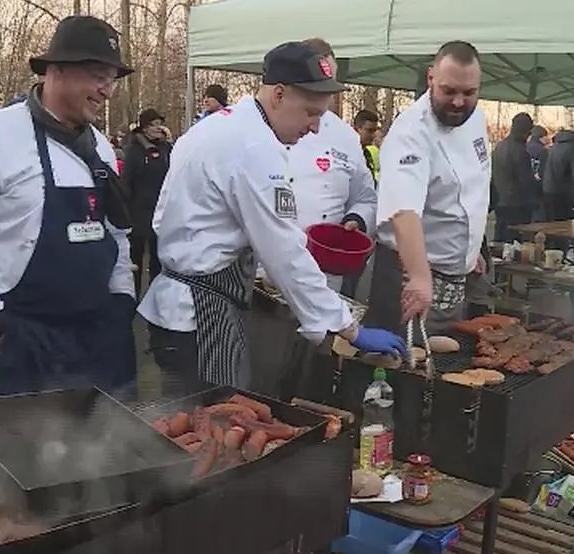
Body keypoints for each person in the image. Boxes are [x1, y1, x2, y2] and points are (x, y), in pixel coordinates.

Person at [137, 41, 406, 394]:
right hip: (201, 318)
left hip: (178, 309)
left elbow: (163, 220)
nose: (313, 127)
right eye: (311, 112)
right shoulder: (254, 149)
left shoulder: (218, 126)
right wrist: (350, 329)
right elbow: (285, 252)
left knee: (189, 425)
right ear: (278, 95)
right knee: (212, 429)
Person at [0, 16, 137, 398]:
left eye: (111, 80)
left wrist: (121, 297)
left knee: (100, 450)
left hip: (94, 335)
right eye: (98, 76)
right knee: (8, 451)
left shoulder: (101, 148)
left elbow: (117, 233)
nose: (107, 91)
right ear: (55, 71)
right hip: (17, 337)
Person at [365, 41, 490, 335]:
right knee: (407, 367)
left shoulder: (477, 120)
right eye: (449, 91)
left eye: (469, 92)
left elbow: (471, 190)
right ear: (430, 78)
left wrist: (469, 249)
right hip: (411, 275)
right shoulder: (411, 133)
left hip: (456, 276)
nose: (459, 102)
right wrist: (420, 279)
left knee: (447, 364)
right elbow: (403, 211)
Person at [283, 38, 376, 297]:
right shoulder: (262, 130)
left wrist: (356, 219)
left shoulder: (344, 137)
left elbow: (366, 198)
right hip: (263, 274)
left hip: (324, 277)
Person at [123, 107, 172, 295]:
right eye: (154, 125)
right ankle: (132, 296)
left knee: (157, 260)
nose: (158, 128)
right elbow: (126, 181)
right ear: (144, 128)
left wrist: (170, 141)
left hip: (159, 212)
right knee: (135, 259)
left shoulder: (166, 148)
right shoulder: (134, 149)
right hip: (137, 212)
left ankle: (155, 298)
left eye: (161, 124)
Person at [492, 112, 537, 242]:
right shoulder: (520, 151)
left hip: (500, 201)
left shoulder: (499, 147)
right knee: (515, 244)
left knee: (499, 241)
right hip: (518, 205)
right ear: (526, 131)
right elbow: (526, 181)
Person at [543, 120, 574, 222]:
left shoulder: (559, 143)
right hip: (563, 194)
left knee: (552, 225)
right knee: (563, 227)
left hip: (548, 188)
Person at [352, 109, 381, 182]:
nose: (373, 135)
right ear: (357, 129)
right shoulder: (347, 154)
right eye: (370, 131)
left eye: (375, 131)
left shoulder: (367, 153)